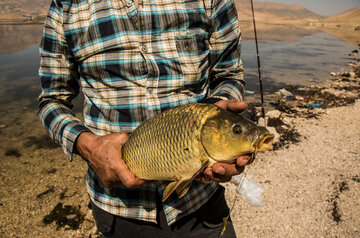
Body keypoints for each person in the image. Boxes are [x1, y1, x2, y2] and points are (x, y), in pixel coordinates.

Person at [38, 0, 251, 237]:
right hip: (118, 209)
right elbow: (52, 100)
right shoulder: (67, 6)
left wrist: (217, 118)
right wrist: (87, 146)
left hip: (200, 201)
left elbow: (229, 75)